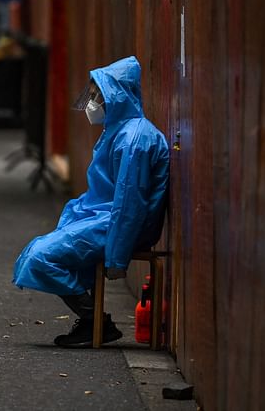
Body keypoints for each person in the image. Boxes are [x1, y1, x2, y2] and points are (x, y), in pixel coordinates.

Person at [12, 55, 169, 348]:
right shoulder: (119, 132)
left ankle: (94, 321)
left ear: (116, 94)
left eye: (98, 94)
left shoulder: (133, 139)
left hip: (117, 223)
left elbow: (129, 205)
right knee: (39, 250)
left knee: (41, 257)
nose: (93, 101)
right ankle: (91, 320)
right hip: (105, 217)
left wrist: (116, 258)